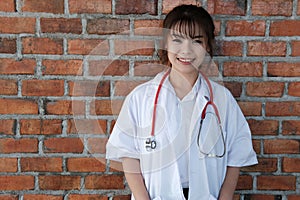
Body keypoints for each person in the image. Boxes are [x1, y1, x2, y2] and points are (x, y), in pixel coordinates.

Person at [106, 4, 258, 200]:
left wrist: (225, 197)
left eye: (196, 41)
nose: (186, 50)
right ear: (166, 44)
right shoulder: (141, 98)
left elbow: (236, 154)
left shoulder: (222, 99)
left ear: (207, 46)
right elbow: (129, 154)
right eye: (177, 40)